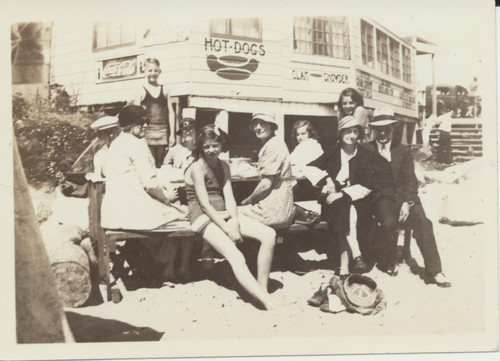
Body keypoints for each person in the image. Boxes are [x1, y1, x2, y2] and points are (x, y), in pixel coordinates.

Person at [184, 124, 277, 310]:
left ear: (221, 145)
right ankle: (266, 302)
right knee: (236, 256)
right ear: (201, 148)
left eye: (215, 145)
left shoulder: (224, 166)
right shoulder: (197, 168)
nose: (212, 150)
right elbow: (204, 205)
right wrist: (228, 230)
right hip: (203, 215)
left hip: (223, 212)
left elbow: (229, 196)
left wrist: (234, 220)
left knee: (269, 235)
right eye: (207, 146)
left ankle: (261, 290)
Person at [362, 106, 452, 287]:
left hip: (406, 197)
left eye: (386, 129)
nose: (382, 133)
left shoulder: (402, 150)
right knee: (388, 222)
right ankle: (388, 260)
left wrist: (406, 202)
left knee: (424, 222)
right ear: (373, 130)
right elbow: (369, 182)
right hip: (382, 197)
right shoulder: (367, 150)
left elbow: (410, 181)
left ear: (392, 129)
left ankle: (435, 271)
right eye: (378, 129)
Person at [101, 105, 191, 281]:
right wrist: (166, 197)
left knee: (173, 216)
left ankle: (167, 265)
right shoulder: (136, 145)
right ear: (128, 125)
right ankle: (174, 269)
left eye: (146, 122)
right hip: (134, 211)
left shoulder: (116, 144)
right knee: (187, 218)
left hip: (115, 212)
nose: (145, 126)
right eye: (140, 123)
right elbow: (150, 183)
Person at [308, 116, 373, 277]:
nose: (351, 135)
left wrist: (343, 194)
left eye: (355, 132)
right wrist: (327, 179)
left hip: (356, 197)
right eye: (348, 131)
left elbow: (368, 184)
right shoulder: (332, 151)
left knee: (347, 210)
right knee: (344, 210)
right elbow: (309, 168)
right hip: (332, 199)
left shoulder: (364, 153)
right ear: (341, 133)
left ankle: (344, 267)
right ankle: (357, 256)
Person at [240, 113, 296, 229]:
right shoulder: (275, 142)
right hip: (283, 205)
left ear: (271, 126)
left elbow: (266, 185)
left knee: (233, 214)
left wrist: (248, 200)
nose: (258, 127)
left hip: (274, 211)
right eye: (255, 124)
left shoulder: (273, 145)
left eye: (262, 123)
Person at [134, 57, 176, 168]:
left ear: (160, 71)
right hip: (147, 133)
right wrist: (138, 134)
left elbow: (171, 113)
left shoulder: (165, 89)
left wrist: (172, 134)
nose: (153, 73)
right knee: (149, 164)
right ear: (144, 71)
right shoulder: (141, 90)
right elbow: (135, 114)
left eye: (155, 70)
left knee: (161, 164)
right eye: (150, 70)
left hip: (163, 132)